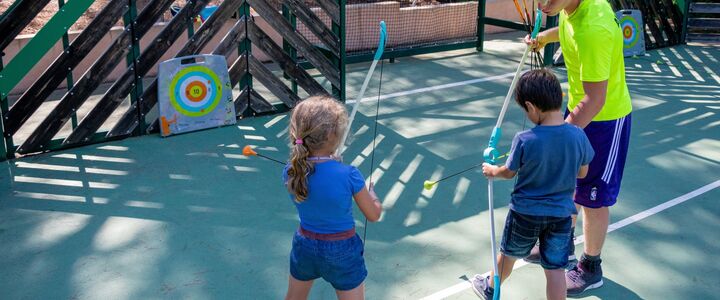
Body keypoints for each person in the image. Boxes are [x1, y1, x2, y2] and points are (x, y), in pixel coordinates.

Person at [524, 0, 633, 295]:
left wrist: (558, 137)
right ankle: (563, 245)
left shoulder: (594, 29)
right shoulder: (573, 8)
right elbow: (569, 29)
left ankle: (590, 266)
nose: (544, 3)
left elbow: (595, 99)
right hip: (580, 109)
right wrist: (545, 38)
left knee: (593, 198)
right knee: (571, 184)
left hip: (605, 121)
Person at [471, 70, 594, 300]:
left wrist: (491, 170)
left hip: (525, 215)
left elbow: (508, 173)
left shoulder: (524, 139)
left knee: (508, 255)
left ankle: (490, 286)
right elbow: (583, 172)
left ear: (531, 106)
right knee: (555, 269)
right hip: (561, 216)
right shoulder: (578, 135)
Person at [283, 96, 383, 300]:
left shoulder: (291, 171)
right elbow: (373, 215)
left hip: (304, 245)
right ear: (331, 135)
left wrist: (328, 160)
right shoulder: (349, 174)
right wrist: (373, 195)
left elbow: (318, 178)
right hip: (342, 249)